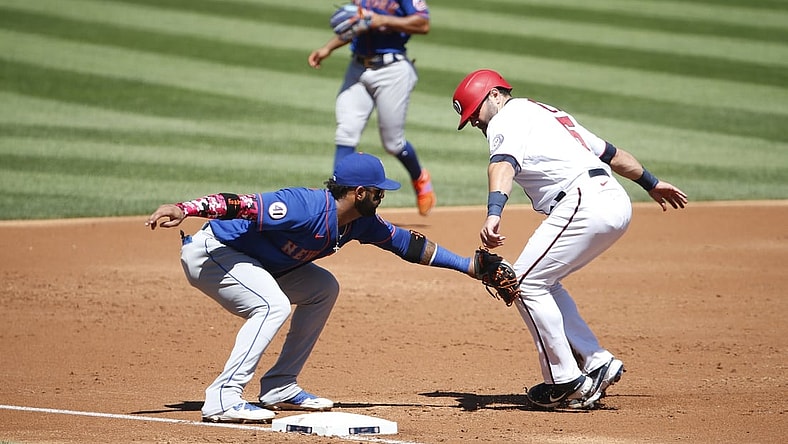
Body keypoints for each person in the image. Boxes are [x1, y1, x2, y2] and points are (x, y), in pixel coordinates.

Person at [146, 153, 482, 423]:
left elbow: (408, 245)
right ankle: (223, 397)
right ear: (359, 193)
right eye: (378, 192)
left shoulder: (359, 222)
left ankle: (280, 385)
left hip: (255, 264)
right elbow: (238, 204)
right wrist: (184, 209)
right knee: (271, 305)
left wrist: (469, 267)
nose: (382, 198)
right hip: (212, 253)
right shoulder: (303, 207)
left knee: (323, 288)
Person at [452, 69, 688, 410]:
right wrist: (650, 183)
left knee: (522, 282)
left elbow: (501, 166)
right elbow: (611, 154)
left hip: (583, 201)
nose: (474, 122)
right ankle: (596, 361)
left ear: (494, 95)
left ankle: (566, 382)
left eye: (474, 112)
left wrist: (493, 213)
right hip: (614, 201)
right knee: (544, 282)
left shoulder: (508, 117)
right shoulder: (548, 114)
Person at [308, 0, 436, 216]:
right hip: (357, 67)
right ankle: (335, 202)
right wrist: (327, 48)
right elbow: (355, 26)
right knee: (346, 131)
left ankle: (419, 176)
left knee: (393, 143)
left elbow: (423, 24)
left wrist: (382, 20)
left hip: (392, 70)